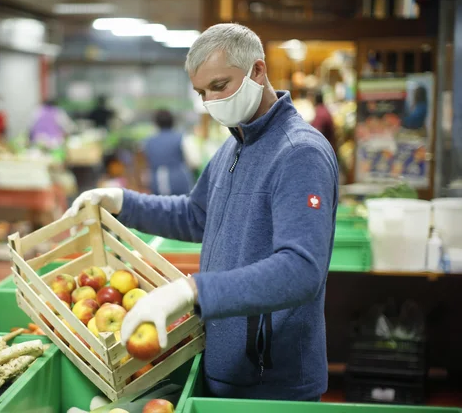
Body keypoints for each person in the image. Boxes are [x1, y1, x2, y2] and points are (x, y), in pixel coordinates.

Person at [64, 23, 338, 401]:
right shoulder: (234, 145)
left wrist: (192, 290)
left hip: (271, 380)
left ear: (258, 70)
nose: (210, 101)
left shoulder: (299, 154)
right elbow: (196, 214)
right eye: (201, 92)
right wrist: (123, 202)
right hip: (224, 364)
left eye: (220, 86)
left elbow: (301, 270)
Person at [142, 109, 195, 196]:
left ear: (156, 123)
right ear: (173, 121)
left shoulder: (149, 141)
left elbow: (145, 163)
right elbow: (193, 162)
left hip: (157, 181)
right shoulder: (181, 137)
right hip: (179, 180)